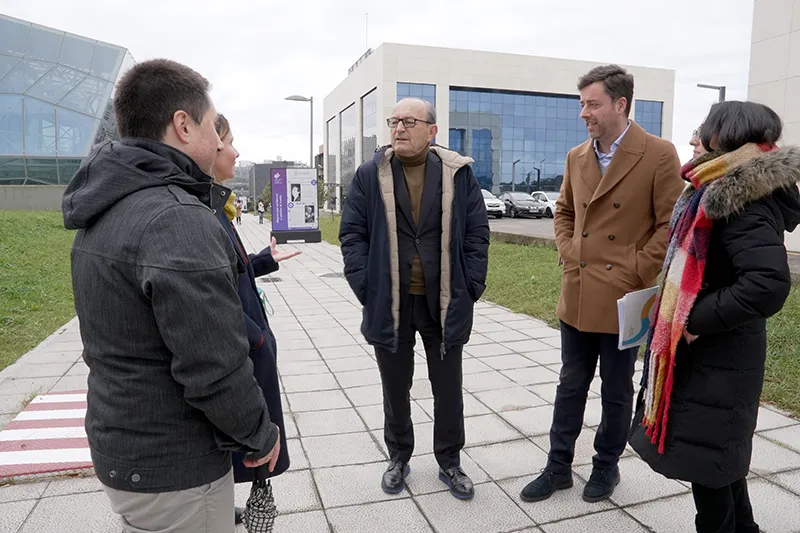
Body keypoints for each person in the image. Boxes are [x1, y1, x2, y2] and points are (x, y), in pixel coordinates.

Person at [61, 59, 280, 533]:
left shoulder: (110, 202)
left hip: (126, 446)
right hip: (175, 463)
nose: (221, 143)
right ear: (183, 125)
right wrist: (259, 434)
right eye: (211, 126)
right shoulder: (175, 218)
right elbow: (213, 364)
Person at [630, 101, 800, 533]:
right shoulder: (720, 185)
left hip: (720, 355)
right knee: (719, 460)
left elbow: (767, 283)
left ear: (724, 137)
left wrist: (692, 317)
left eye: (702, 129)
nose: (692, 137)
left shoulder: (740, 196)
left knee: (709, 466)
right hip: (718, 354)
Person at [520, 65, 685, 504]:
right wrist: (569, 251)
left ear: (620, 104)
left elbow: (670, 224)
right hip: (578, 291)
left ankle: (605, 468)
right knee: (570, 384)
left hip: (624, 298)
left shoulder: (659, 153)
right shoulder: (577, 156)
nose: (583, 114)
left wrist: (635, 267)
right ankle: (557, 468)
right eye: (582, 104)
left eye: (592, 104)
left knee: (616, 389)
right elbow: (564, 211)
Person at [339, 97, 490, 500]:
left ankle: (450, 461)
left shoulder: (457, 175)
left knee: (448, 386)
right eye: (394, 121)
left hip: (443, 300)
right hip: (391, 301)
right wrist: (365, 287)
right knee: (395, 385)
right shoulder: (371, 174)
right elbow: (351, 233)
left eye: (409, 121)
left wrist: (471, 286)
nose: (399, 128)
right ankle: (398, 457)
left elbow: (477, 233)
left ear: (432, 130)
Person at [212, 114, 301, 525]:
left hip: (248, 341)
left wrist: (263, 261)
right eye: (230, 142)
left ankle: (215, 501)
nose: (236, 151)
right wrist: (256, 339)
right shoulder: (198, 210)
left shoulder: (215, 204)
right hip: (240, 346)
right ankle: (214, 502)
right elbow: (210, 292)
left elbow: (230, 270)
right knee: (239, 436)